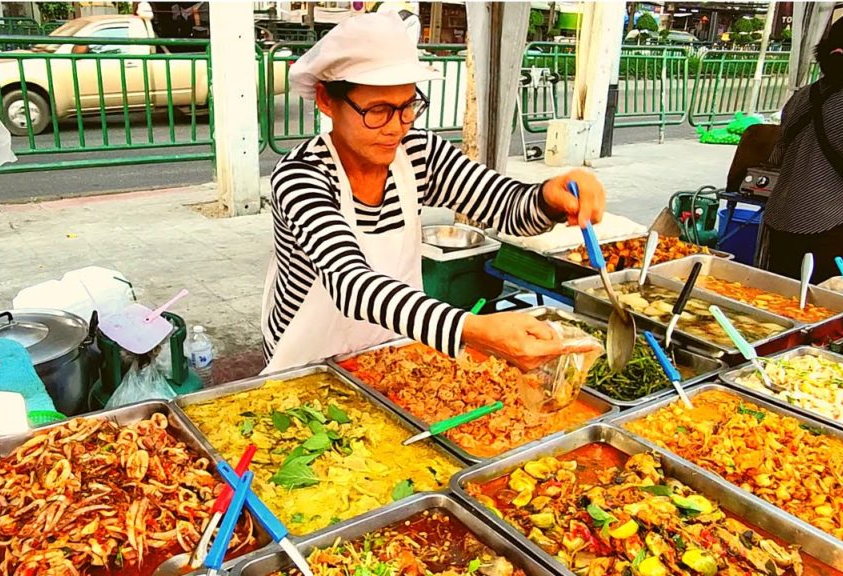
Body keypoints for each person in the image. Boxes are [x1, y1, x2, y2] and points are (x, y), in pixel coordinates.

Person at [260, 12, 607, 374]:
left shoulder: (417, 152)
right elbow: (351, 283)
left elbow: (503, 204)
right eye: (378, 110)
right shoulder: (300, 176)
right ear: (326, 100)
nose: (396, 128)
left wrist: (548, 197)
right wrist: (472, 329)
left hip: (386, 350)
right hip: (305, 363)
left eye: (407, 106)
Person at [765, 12, 843, 284]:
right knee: (822, 303)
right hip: (829, 226)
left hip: (781, 217)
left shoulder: (801, 95)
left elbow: (778, 157)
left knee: (778, 297)